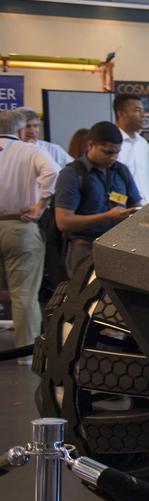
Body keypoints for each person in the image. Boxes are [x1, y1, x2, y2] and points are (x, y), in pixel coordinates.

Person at [0, 109, 59, 361]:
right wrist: (40, 206)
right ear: (22, 130)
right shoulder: (31, 150)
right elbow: (53, 172)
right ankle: (25, 356)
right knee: (24, 295)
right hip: (19, 226)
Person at [54, 121, 141, 275]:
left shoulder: (121, 171)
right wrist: (106, 217)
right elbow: (63, 221)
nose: (113, 157)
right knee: (84, 296)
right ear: (91, 145)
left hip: (118, 248)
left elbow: (136, 204)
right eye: (107, 152)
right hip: (85, 249)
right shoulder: (72, 174)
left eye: (117, 152)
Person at [113, 93, 149, 204]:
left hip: (147, 207)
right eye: (137, 110)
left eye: (143, 110)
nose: (142, 115)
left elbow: (146, 178)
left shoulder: (143, 143)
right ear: (121, 113)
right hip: (124, 209)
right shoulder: (112, 143)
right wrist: (122, 203)